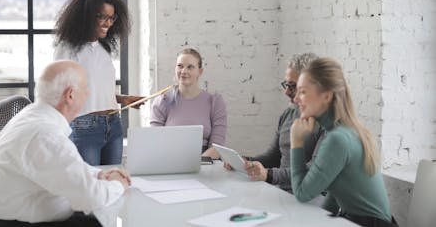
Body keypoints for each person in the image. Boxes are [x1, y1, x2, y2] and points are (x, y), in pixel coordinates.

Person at [0, 60, 131, 227]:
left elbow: (67, 170)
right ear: (70, 95)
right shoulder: (46, 135)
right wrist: (119, 184)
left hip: (4, 217)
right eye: (85, 88)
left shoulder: (31, 116)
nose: (88, 94)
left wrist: (99, 175)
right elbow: (91, 198)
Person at [290, 58, 396, 227]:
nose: (295, 99)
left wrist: (296, 142)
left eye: (302, 91)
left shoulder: (337, 139)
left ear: (326, 95)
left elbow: (302, 193)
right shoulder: (345, 131)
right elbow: (335, 197)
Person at [53, 0, 143, 165]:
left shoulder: (103, 49)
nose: (107, 23)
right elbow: (59, 92)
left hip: (113, 125)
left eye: (111, 18)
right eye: (101, 16)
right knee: (90, 186)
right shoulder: (67, 48)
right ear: (85, 15)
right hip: (85, 126)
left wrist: (123, 99)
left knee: (111, 184)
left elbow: (95, 89)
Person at [224, 52, 323, 192]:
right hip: (283, 192)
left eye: (292, 86)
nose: (286, 92)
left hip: (310, 196)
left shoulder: (327, 124)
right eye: (286, 85)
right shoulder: (288, 114)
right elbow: (274, 156)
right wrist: (245, 162)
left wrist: (269, 175)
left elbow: (315, 170)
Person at [150, 48, 227, 158]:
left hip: (206, 162)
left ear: (200, 72)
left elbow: (217, 147)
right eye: (180, 66)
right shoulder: (162, 101)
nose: (184, 71)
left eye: (190, 67)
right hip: (169, 160)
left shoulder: (215, 102)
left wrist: (197, 163)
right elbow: (154, 142)